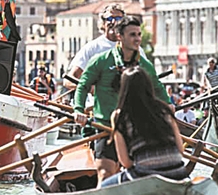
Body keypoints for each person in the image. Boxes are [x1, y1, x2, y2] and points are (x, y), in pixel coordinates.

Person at [73, 16, 170, 184]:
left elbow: (158, 88)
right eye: (132, 35)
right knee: (105, 172)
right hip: (104, 126)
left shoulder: (144, 65)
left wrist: (169, 106)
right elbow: (82, 85)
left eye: (139, 34)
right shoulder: (101, 61)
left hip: (134, 127)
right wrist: (78, 110)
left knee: (139, 173)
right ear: (120, 36)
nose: (138, 39)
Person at [101, 66, 188, 188]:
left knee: (103, 187)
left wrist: (142, 161)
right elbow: (180, 149)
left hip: (145, 176)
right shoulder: (164, 110)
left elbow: (125, 162)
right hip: (178, 174)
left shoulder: (119, 116)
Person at [64, 4, 145, 89]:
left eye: (118, 19)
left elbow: (148, 79)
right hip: (96, 102)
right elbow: (68, 81)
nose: (113, 22)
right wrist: (90, 89)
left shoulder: (136, 49)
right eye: (109, 19)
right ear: (103, 23)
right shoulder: (92, 48)